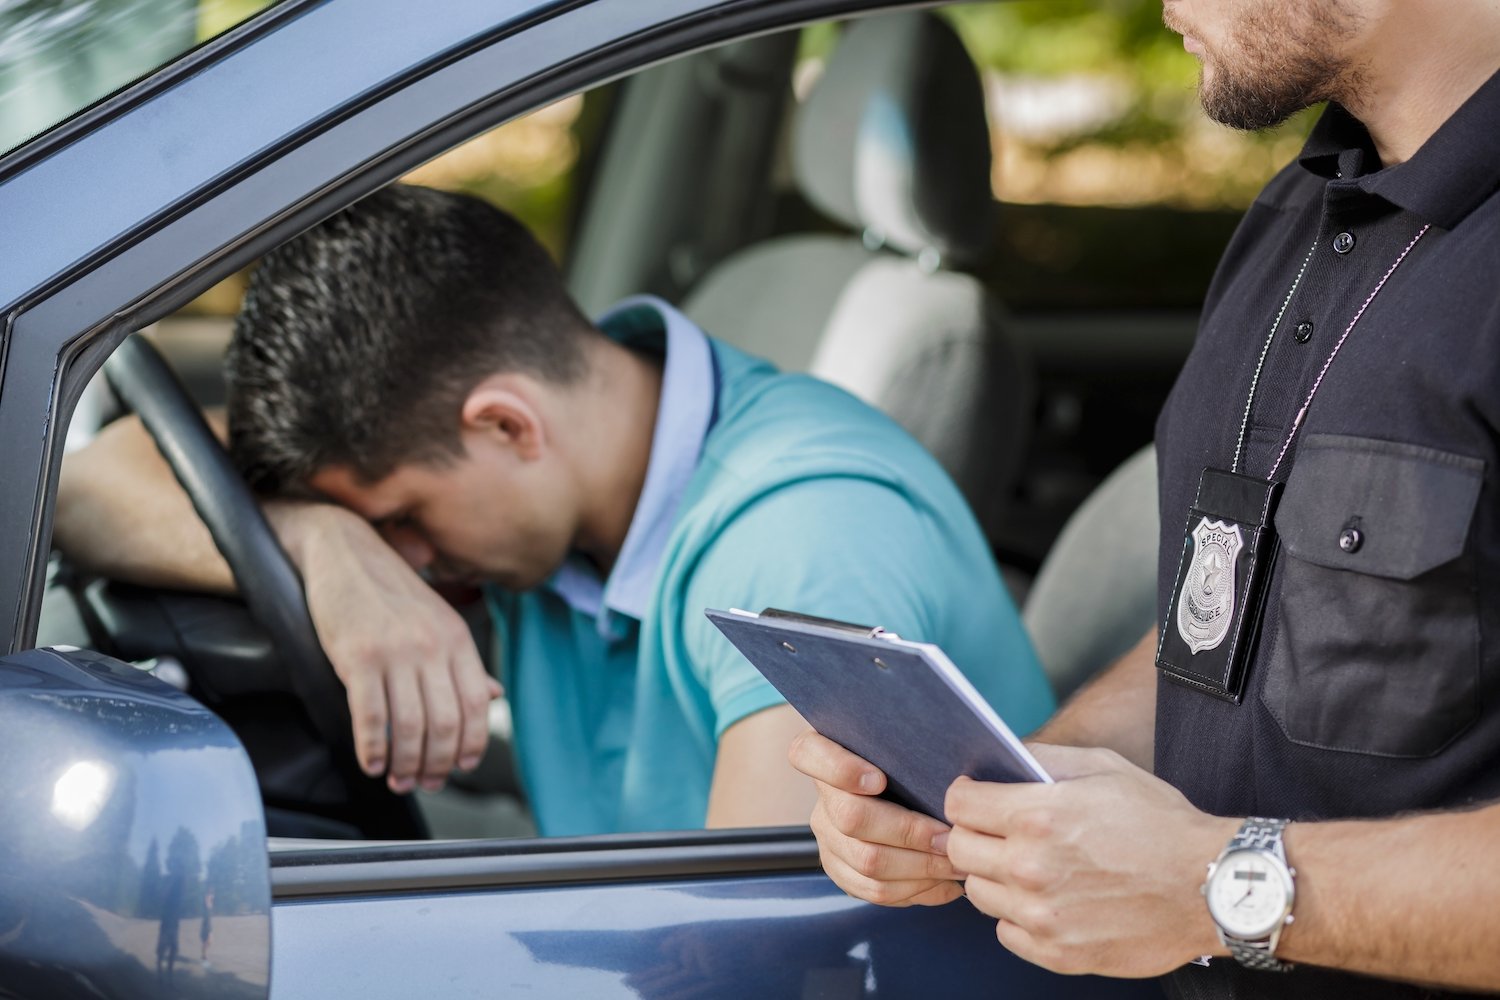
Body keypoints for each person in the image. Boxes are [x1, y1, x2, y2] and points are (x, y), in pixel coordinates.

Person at [791, 0, 1500, 996]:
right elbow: (1233, 629)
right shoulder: (1298, 213)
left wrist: (1213, 882)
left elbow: (1196, 877)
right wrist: (1002, 795)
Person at [56, 183, 1055, 836]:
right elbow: (88, 488)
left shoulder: (801, 543)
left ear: (507, 426)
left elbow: (756, 953)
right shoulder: (562, 476)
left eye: (401, 517)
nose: (402, 559)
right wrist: (326, 546)